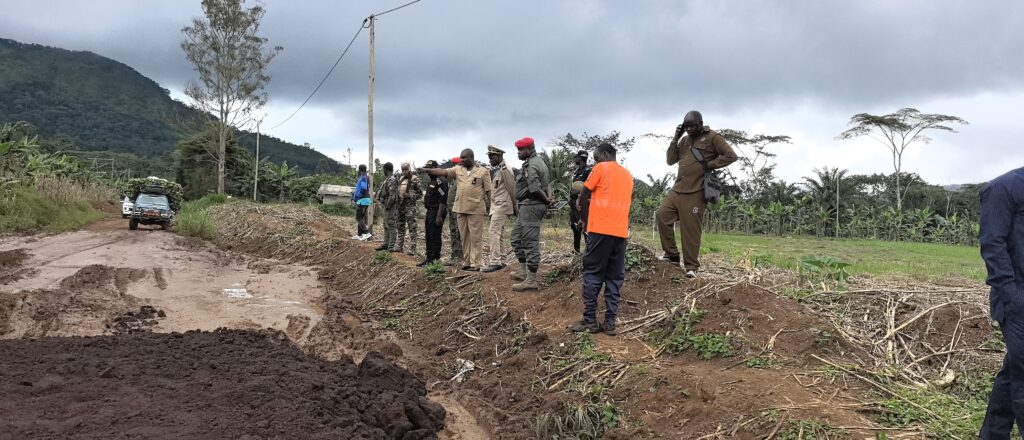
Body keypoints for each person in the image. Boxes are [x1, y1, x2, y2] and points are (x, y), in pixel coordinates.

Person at [656, 110, 737, 278]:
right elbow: (670, 161)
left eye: (693, 126)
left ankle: (691, 266)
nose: (690, 129)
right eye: (687, 127)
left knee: (690, 229)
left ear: (701, 124)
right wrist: (675, 138)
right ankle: (671, 255)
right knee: (662, 215)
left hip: (696, 190)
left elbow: (731, 155)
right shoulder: (684, 140)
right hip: (678, 188)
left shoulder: (713, 137)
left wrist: (712, 164)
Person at [569, 143, 633, 336]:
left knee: (593, 273)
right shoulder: (628, 176)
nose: (595, 161)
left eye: (596, 157)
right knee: (614, 277)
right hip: (620, 233)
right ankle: (610, 322)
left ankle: (590, 320)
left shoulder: (601, 168)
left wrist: (582, 217)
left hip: (599, 231)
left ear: (605, 154)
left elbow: (584, 194)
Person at [979, 166, 1024, 438]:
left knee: (1014, 373)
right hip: (1017, 299)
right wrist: (1014, 298)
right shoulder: (1003, 188)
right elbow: (992, 245)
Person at [418, 149, 491, 271]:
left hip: (475, 208)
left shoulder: (483, 171)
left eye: (464, 157)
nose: (461, 160)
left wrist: (490, 207)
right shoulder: (458, 169)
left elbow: (489, 191)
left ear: (471, 158)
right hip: (460, 208)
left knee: (475, 237)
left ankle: (476, 263)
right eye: (460, 158)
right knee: (464, 237)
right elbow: (443, 171)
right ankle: (467, 261)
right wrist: (426, 170)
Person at [510, 137, 551, 291]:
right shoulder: (536, 162)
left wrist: (546, 201)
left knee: (529, 242)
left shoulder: (532, 165)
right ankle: (522, 271)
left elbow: (535, 188)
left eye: (520, 150)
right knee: (516, 238)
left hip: (532, 206)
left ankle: (531, 280)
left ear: (529, 149)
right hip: (527, 206)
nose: (518, 153)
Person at [483, 145, 518, 273]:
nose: (490, 160)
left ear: (499, 156)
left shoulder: (505, 170)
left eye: (492, 157)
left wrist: (515, 206)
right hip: (497, 205)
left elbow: (512, 189)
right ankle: (501, 259)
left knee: (493, 232)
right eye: (489, 157)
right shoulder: (500, 169)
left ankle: (495, 261)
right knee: (499, 233)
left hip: (502, 206)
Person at [418, 160, 448, 267]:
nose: (429, 171)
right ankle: (429, 258)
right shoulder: (432, 181)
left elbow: (443, 199)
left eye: (430, 169)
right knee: (429, 235)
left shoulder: (440, 181)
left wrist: (439, 216)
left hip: (436, 211)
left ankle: (435, 259)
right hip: (430, 211)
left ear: (436, 168)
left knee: (435, 235)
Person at [390, 163, 422, 255]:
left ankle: (413, 249)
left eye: (406, 169)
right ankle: (399, 246)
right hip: (400, 206)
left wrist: (410, 196)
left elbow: (420, 194)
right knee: (400, 226)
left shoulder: (415, 179)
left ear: (410, 169)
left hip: (410, 207)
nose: (404, 171)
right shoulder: (401, 179)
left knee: (412, 228)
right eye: (403, 169)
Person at [568, 150, 592, 253]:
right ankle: (576, 251)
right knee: (574, 226)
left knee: (583, 227)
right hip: (573, 203)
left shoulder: (588, 171)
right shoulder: (577, 172)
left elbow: (589, 188)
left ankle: (588, 251)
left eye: (576, 157)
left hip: (582, 204)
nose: (575, 159)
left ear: (580, 158)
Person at [443, 157, 463, 266]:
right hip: (451, 209)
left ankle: (459, 256)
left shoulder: (462, 179)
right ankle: (454, 255)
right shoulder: (454, 180)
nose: (453, 167)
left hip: (458, 210)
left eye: (455, 165)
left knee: (459, 232)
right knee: (453, 231)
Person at [374, 162, 397, 252]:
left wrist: (388, 205)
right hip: (386, 206)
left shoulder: (391, 179)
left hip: (389, 207)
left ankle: (390, 247)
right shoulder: (388, 179)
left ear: (386, 169)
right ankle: (386, 244)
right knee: (386, 225)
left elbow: (392, 195)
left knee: (391, 226)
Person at [352, 164, 372, 238]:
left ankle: (366, 232)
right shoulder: (365, 177)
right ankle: (359, 235)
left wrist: (358, 196)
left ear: (360, 170)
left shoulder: (363, 177)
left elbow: (363, 188)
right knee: (361, 218)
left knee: (358, 218)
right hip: (365, 200)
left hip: (362, 200)